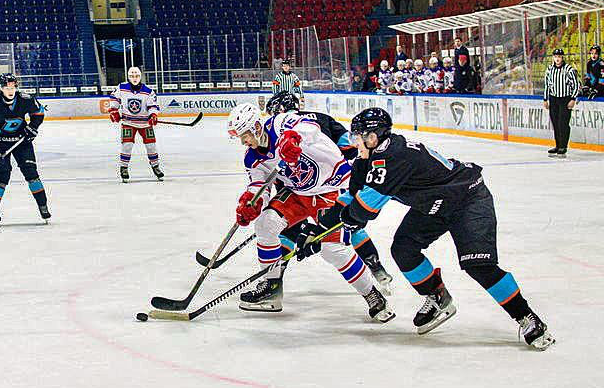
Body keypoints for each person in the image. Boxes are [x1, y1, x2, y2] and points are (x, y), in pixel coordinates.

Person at [341, 107, 553, 349]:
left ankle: (527, 317)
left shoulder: (392, 158)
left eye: (358, 136)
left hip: (467, 198)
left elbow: (365, 211)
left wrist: (349, 218)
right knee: (404, 248)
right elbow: (353, 198)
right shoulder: (366, 159)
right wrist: (324, 226)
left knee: (478, 265)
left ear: (373, 137)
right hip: (435, 204)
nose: (353, 141)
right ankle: (437, 297)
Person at [225, 102, 392, 320]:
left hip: (333, 186)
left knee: (332, 249)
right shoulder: (252, 157)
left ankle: (372, 294)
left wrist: (293, 137)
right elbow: (259, 186)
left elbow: (310, 126)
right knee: (265, 224)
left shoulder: (280, 123)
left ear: (256, 126)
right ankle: (272, 287)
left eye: (244, 135)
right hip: (299, 194)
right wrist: (251, 202)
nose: (243, 141)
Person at [265, 91, 393, 291]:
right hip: (335, 183)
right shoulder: (323, 118)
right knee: (349, 225)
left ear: (279, 110)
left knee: (289, 230)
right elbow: (351, 147)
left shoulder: (278, 129)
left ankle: (274, 281)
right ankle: (377, 268)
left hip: (313, 188)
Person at [0, 73, 49, 226]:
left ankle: (43, 206)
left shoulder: (25, 99)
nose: (10, 90)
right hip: (2, 143)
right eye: (6, 87)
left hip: (22, 141)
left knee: (31, 172)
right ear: (0, 88)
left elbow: (39, 112)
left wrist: (32, 127)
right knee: (2, 175)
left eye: (13, 87)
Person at [107, 65, 163, 183]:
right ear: (128, 77)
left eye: (137, 75)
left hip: (145, 124)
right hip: (128, 122)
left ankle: (156, 166)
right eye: (132, 76)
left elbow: (153, 105)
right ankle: (124, 168)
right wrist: (114, 111)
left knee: (151, 145)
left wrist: (153, 115)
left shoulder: (148, 91)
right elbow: (114, 98)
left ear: (140, 76)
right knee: (127, 145)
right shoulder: (121, 88)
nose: (134, 78)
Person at [543, 48, 578, 158]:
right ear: (553, 57)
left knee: (563, 123)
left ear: (562, 57)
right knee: (555, 123)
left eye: (559, 56)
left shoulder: (569, 70)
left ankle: (563, 146)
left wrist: (573, 99)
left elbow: (576, 85)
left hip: (565, 99)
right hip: (553, 99)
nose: (557, 58)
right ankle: (558, 145)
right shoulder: (549, 70)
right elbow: (547, 85)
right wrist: (545, 99)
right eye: (555, 56)